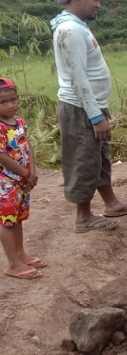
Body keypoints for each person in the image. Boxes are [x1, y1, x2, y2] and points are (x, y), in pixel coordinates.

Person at [51, 0, 127, 234]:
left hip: (89, 107)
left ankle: (111, 203)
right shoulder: (71, 30)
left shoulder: (76, 26)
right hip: (79, 108)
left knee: (99, 157)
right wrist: (94, 115)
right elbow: (78, 76)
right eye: (96, 0)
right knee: (83, 159)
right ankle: (83, 217)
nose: (98, 5)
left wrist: (100, 108)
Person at [0, 79, 46, 280]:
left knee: (18, 218)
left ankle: (21, 254)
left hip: (22, 181)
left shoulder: (20, 122)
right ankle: (12, 263)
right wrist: (25, 173)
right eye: (3, 102)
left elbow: (28, 147)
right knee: (7, 221)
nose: (10, 105)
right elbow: (2, 156)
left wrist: (32, 173)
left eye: (13, 100)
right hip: (5, 183)